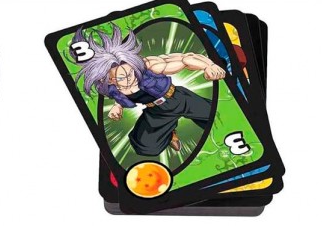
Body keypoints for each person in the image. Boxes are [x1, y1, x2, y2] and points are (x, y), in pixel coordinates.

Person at [73, 23, 226, 154]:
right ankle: (169, 134)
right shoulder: (110, 87)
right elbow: (120, 96)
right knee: (144, 146)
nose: (129, 79)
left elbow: (185, 59)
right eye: (121, 78)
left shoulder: (148, 66)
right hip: (157, 111)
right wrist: (117, 106)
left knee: (219, 118)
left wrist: (209, 65)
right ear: (109, 79)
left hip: (179, 98)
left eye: (130, 73)